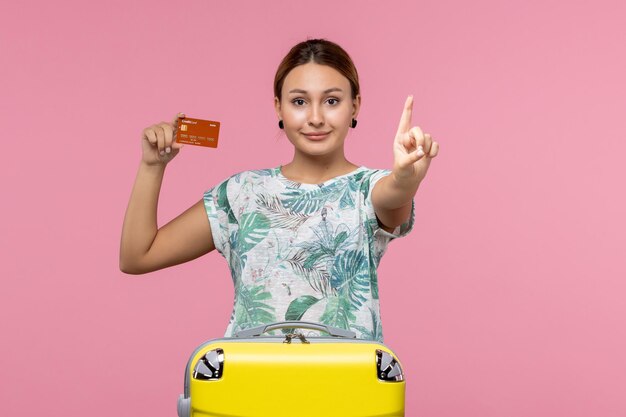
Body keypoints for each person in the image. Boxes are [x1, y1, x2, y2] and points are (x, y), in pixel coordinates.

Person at [119, 38, 439, 342]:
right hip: (253, 386)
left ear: (354, 106)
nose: (315, 117)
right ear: (278, 108)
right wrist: (152, 166)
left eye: (332, 101)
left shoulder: (367, 190)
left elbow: (393, 196)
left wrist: (406, 179)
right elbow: (137, 256)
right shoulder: (244, 193)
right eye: (299, 101)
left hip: (347, 389)